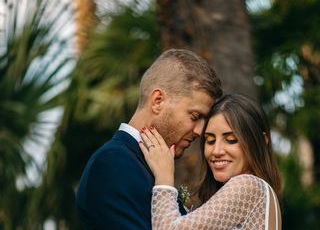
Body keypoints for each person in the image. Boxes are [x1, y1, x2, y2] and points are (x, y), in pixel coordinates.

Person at [76, 48, 222, 229]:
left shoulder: (148, 165)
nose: (200, 131)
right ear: (158, 101)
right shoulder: (112, 163)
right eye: (194, 116)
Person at [140, 93, 282, 230]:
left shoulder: (248, 186)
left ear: (262, 141)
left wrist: (164, 178)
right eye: (210, 140)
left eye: (231, 140)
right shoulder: (261, 194)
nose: (216, 151)